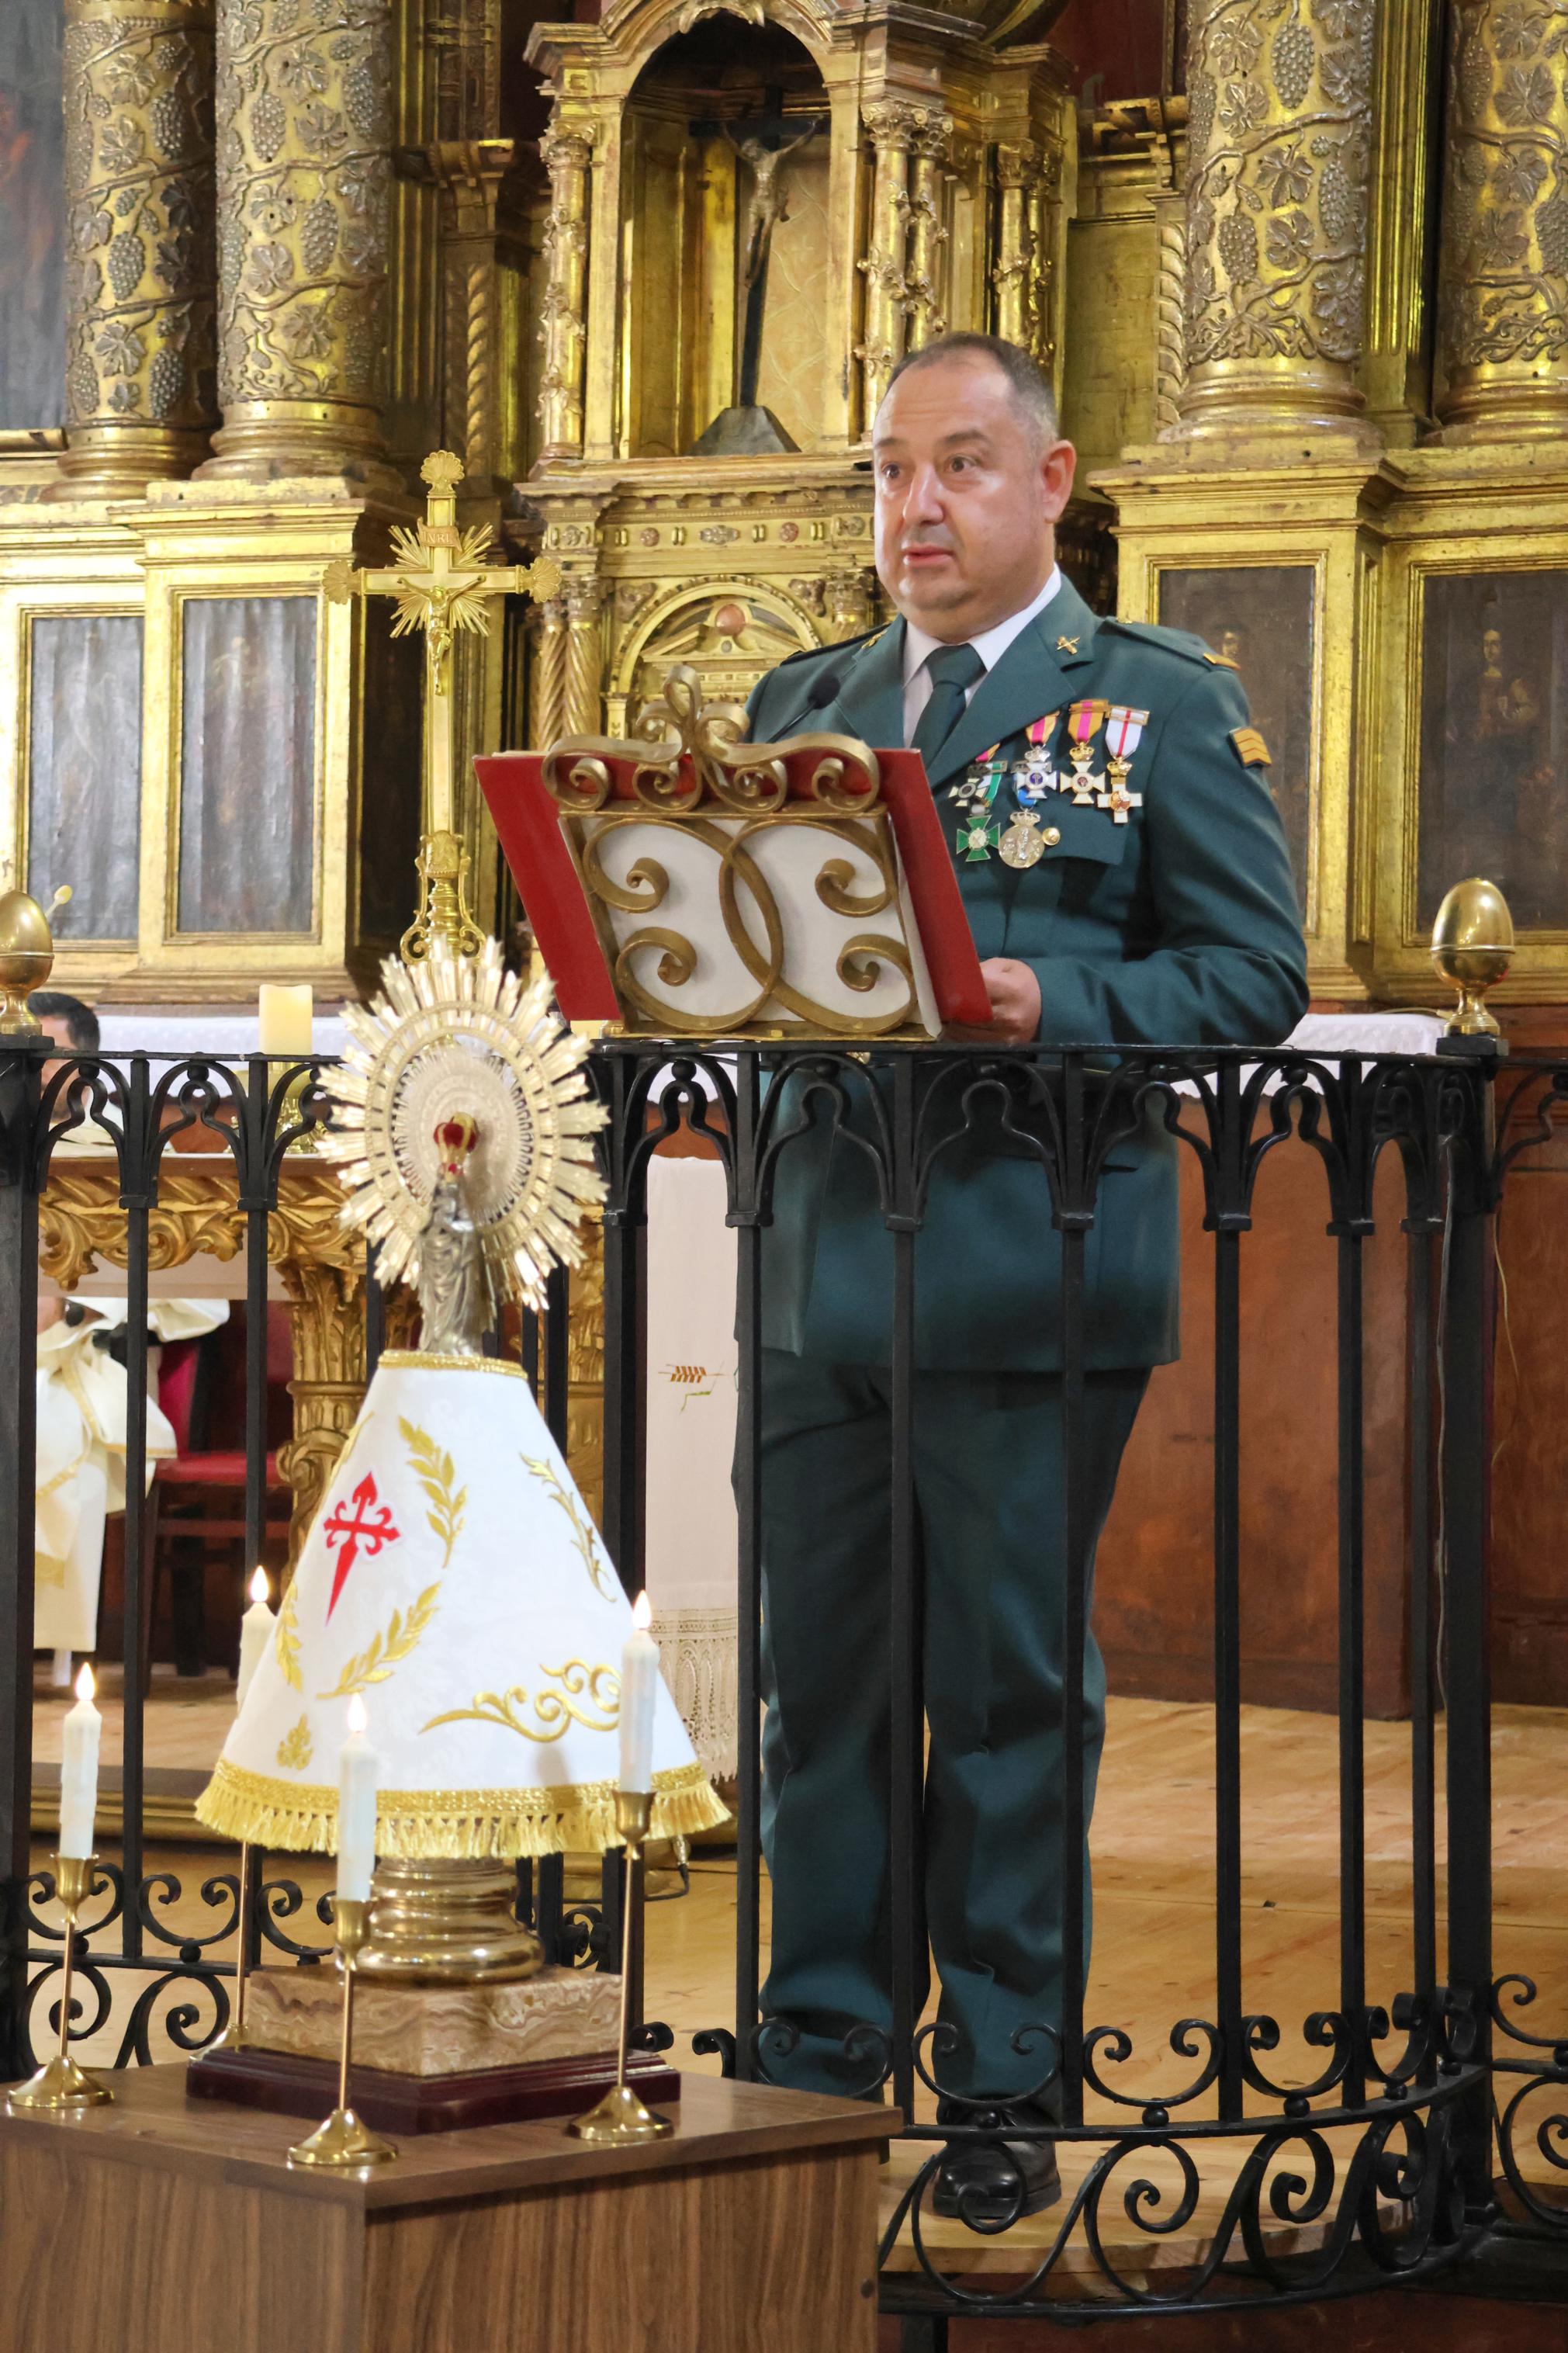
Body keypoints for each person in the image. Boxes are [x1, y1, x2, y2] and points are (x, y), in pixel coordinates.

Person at [742, 333, 1308, 2220]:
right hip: (818, 1269)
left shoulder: (1148, 704)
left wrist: (1044, 999)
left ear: (1052, 485)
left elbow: (1249, 981)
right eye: (891, 472)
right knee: (815, 1686)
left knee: (999, 1694)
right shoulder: (805, 699)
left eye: (960, 466)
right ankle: (816, 2052)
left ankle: (999, 2078)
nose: (915, 506)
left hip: (1024, 1273)